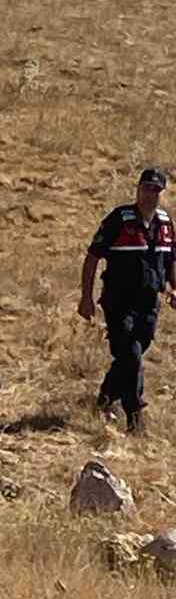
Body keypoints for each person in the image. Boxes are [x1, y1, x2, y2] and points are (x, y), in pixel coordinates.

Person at [78, 167, 176, 432]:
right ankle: (135, 415)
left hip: (149, 303)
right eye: (146, 188)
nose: (150, 195)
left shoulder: (166, 224)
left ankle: (107, 395)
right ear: (138, 189)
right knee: (131, 352)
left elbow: (170, 261)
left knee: (133, 353)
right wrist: (86, 298)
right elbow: (92, 257)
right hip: (119, 302)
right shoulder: (120, 219)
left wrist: (174, 288)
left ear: (161, 193)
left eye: (156, 190)